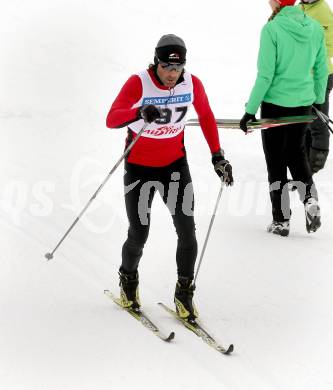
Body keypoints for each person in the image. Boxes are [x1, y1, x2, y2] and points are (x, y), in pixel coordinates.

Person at [106, 34, 233, 322]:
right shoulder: (139, 82)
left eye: (178, 68)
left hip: (174, 166)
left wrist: (218, 157)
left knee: (187, 231)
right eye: (166, 67)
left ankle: (184, 292)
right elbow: (112, 118)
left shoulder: (192, 83)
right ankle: (128, 281)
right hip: (138, 166)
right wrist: (138, 111)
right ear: (156, 63)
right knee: (139, 232)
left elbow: (207, 116)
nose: (172, 74)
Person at [240, 0, 328, 237]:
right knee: (296, 154)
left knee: (276, 162)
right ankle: (310, 198)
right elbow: (321, 68)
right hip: (302, 103)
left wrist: (250, 110)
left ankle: (281, 220)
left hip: (275, 106)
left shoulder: (272, 29)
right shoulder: (315, 28)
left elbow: (266, 74)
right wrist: (318, 100)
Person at [300, 0, 333, 173]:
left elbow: (331, 45)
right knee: (305, 117)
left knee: (318, 118)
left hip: (322, 74)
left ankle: (317, 160)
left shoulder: (322, 9)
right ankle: (304, 156)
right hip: (305, 75)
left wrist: (311, 54)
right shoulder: (300, 7)